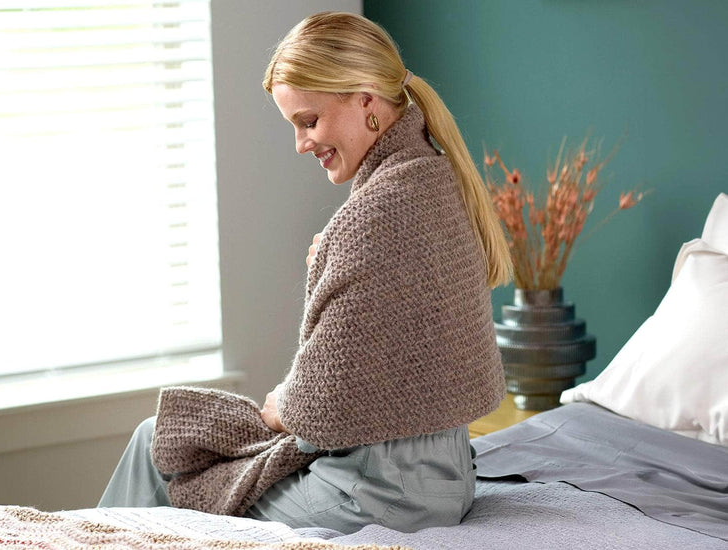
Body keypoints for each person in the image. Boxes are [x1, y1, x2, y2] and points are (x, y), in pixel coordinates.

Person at [99, 11, 512, 535]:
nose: (301, 143)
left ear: (365, 99)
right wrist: (331, 259)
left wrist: (277, 407)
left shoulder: (378, 212)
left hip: (381, 492)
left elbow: (319, 404)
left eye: (308, 121)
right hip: (442, 475)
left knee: (160, 449)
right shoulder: (430, 177)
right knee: (162, 436)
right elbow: (383, 356)